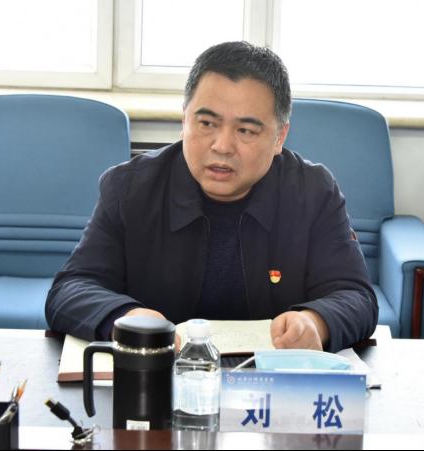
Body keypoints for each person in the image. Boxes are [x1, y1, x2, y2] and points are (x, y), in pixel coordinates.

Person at [45, 41, 377, 353]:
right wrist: (126, 317)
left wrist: (315, 322)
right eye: (206, 123)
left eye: (245, 130)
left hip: (271, 382)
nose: (222, 146)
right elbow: (70, 289)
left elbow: (355, 295)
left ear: (280, 137)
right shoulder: (130, 188)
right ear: (184, 120)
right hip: (160, 377)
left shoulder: (313, 192)